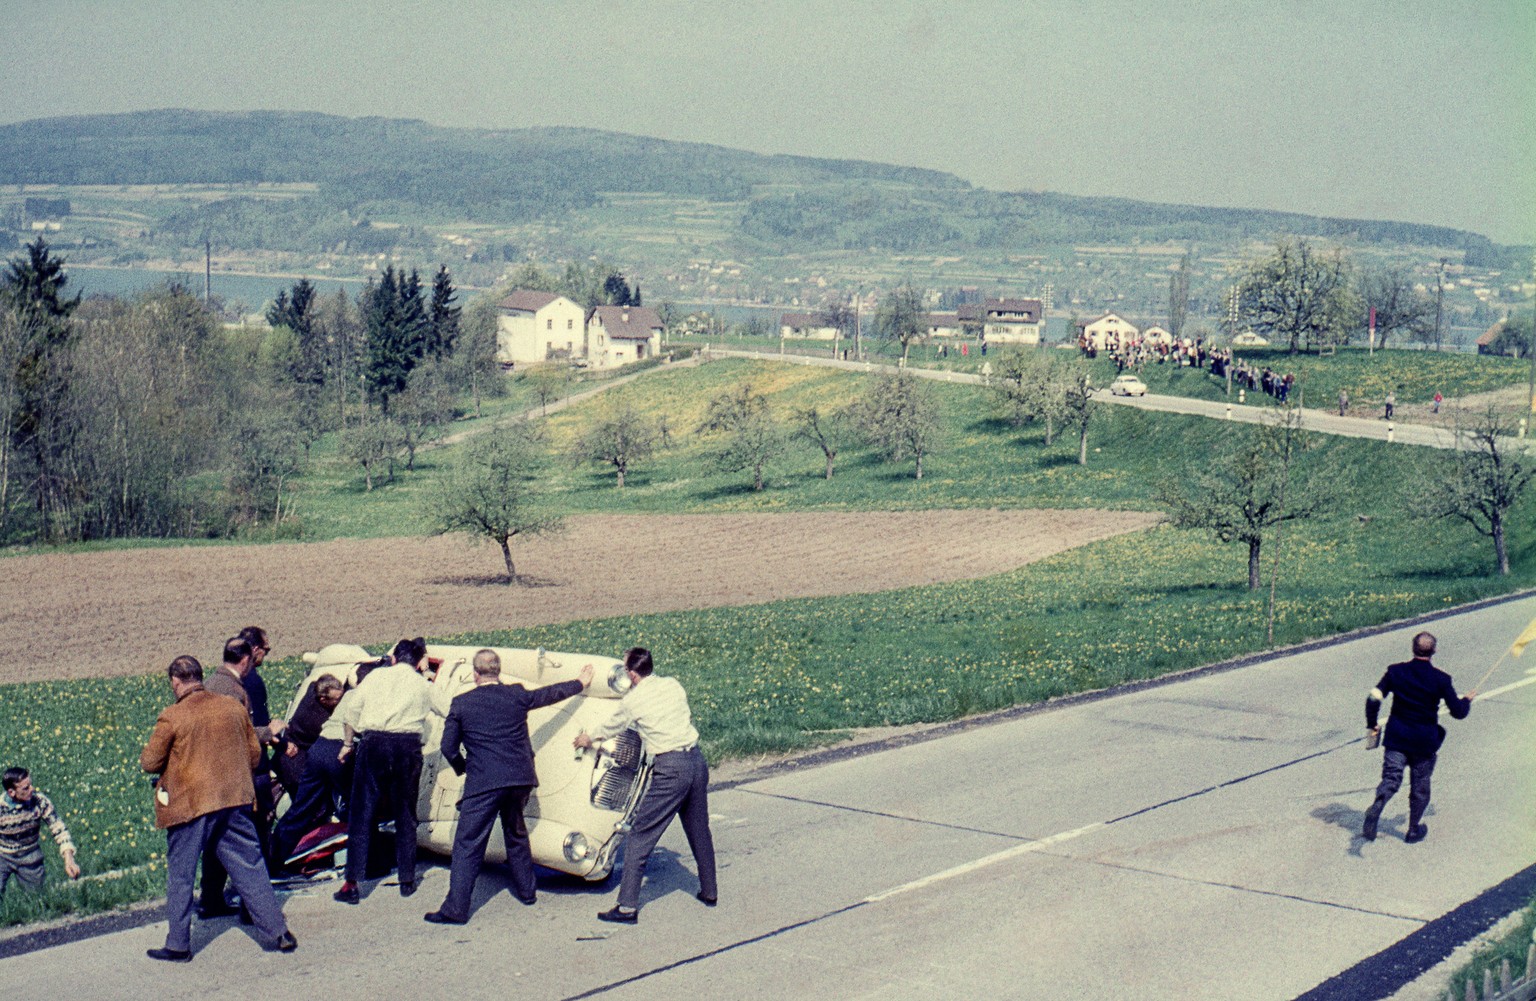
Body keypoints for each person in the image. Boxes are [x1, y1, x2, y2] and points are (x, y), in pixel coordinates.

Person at [140, 655, 295, 961]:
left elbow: (149, 762)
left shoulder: (172, 717)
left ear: (175, 681)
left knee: (182, 875)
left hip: (192, 806)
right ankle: (279, 933)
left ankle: (178, 944)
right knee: (250, 867)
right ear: (200, 676)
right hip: (234, 801)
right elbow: (253, 754)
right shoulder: (232, 707)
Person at [424, 651, 593, 925]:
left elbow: (448, 747)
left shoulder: (462, 703)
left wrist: (463, 767)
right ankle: (527, 891)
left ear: (475, 674)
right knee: (516, 833)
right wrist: (580, 683)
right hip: (520, 779)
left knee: (468, 844)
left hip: (484, 783)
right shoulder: (515, 694)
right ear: (498, 672)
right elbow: (549, 694)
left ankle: (456, 909)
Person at [574, 647, 716, 924]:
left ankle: (627, 907)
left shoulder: (633, 701)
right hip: (696, 762)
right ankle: (709, 891)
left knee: (640, 835)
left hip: (671, 769)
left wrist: (588, 739)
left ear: (631, 674)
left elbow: (612, 726)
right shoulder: (673, 685)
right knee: (699, 829)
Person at [333, 638, 436, 905]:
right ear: (417, 662)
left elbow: (351, 712)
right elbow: (447, 708)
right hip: (407, 746)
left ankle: (352, 882)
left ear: (393, 659)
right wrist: (426, 675)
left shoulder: (376, 677)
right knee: (405, 812)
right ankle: (407, 879)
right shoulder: (422, 684)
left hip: (374, 742)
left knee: (362, 811)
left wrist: (347, 744)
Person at [200, 637, 284, 919]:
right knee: (254, 841)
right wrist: (269, 731)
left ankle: (210, 901)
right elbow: (240, 732)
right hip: (237, 776)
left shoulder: (209, 684)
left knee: (216, 842)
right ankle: (253, 909)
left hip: (211, 777)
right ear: (246, 659)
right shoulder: (236, 689)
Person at [1362, 632, 1475, 843]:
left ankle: (1378, 805)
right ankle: (1413, 830)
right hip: (1424, 742)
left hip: (1397, 737)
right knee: (1420, 783)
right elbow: (1458, 712)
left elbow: (1373, 698)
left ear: (1413, 648)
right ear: (1434, 651)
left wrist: (1372, 723)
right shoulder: (1441, 679)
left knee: (1391, 778)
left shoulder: (1395, 672)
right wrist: (1467, 700)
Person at [269, 675, 348, 873]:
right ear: (323, 700)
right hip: (294, 765)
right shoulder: (316, 719)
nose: (341, 702)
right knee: (308, 811)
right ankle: (291, 858)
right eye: (337, 700)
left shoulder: (316, 688)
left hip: (298, 758)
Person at [0, 767, 80, 904]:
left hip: (30, 857)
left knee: (38, 901)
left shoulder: (39, 802)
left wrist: (69, 859)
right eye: (25, 788)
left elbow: (59, 828)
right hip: (3, 855)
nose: (32, 789)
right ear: (11, 792)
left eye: (30, 784)